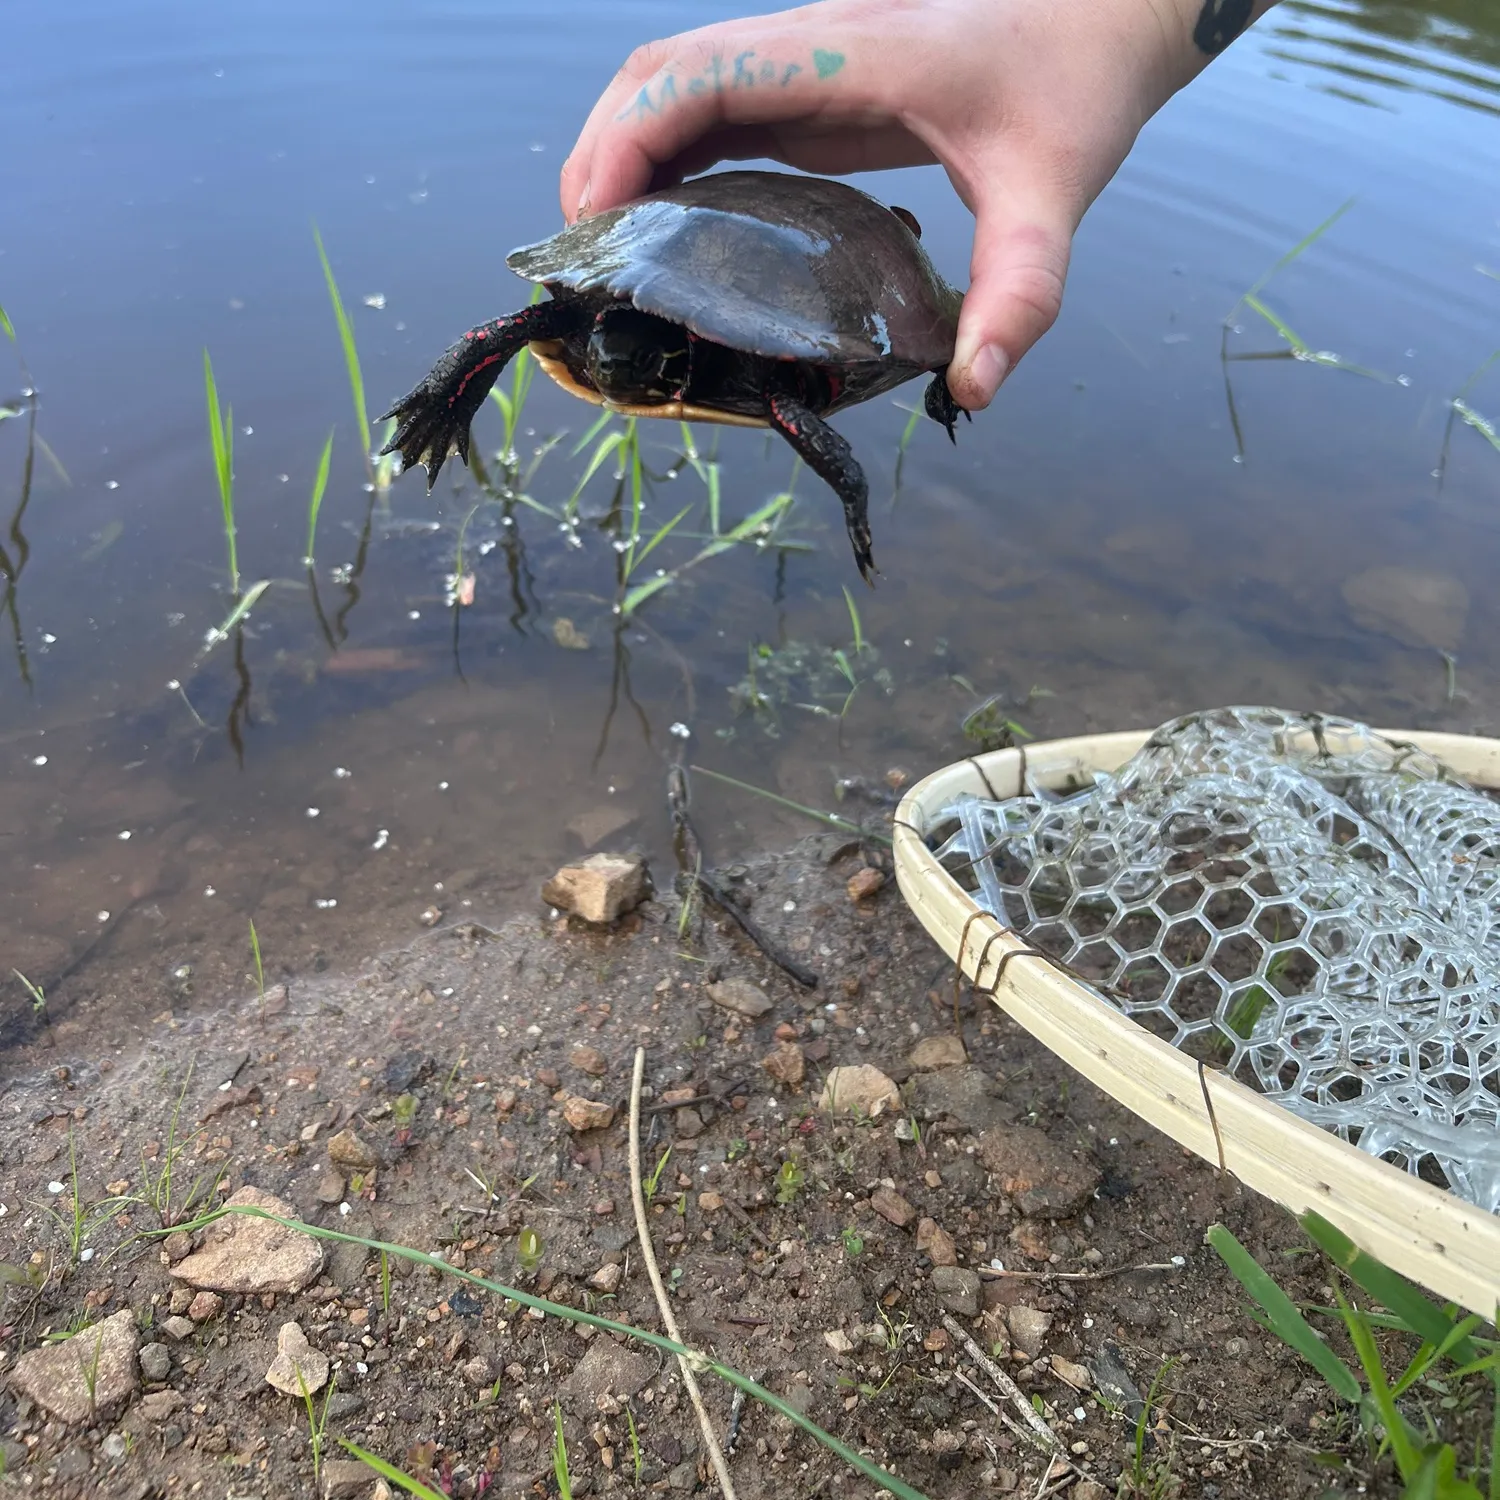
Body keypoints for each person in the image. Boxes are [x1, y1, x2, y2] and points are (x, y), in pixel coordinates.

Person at [560, 0, 1277, 413]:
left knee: (784, 393)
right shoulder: (588, 328)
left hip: (822, 285)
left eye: (627, 365)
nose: (611, 372)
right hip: (676, 243)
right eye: (611, 362)